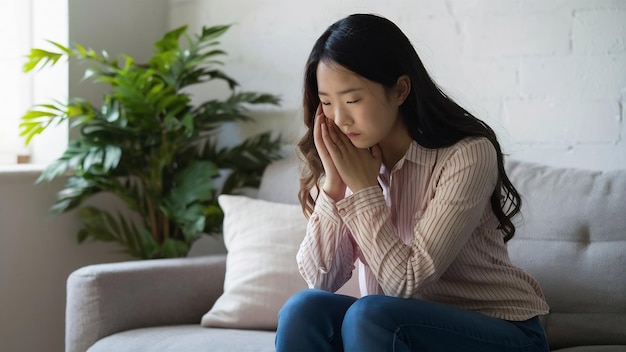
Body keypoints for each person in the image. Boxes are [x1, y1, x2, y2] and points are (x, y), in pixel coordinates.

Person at [275, 13, 550, 352]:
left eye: (352, 100)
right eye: (327, 103)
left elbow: (405, 281)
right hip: (395, 330)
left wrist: (363, 191)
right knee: (302, 310)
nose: (339, 119)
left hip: (501, 332)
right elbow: (320, 280)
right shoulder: (351, 160)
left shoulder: (467, 156)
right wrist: (334, 184)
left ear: (401, 90)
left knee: (369, 315)